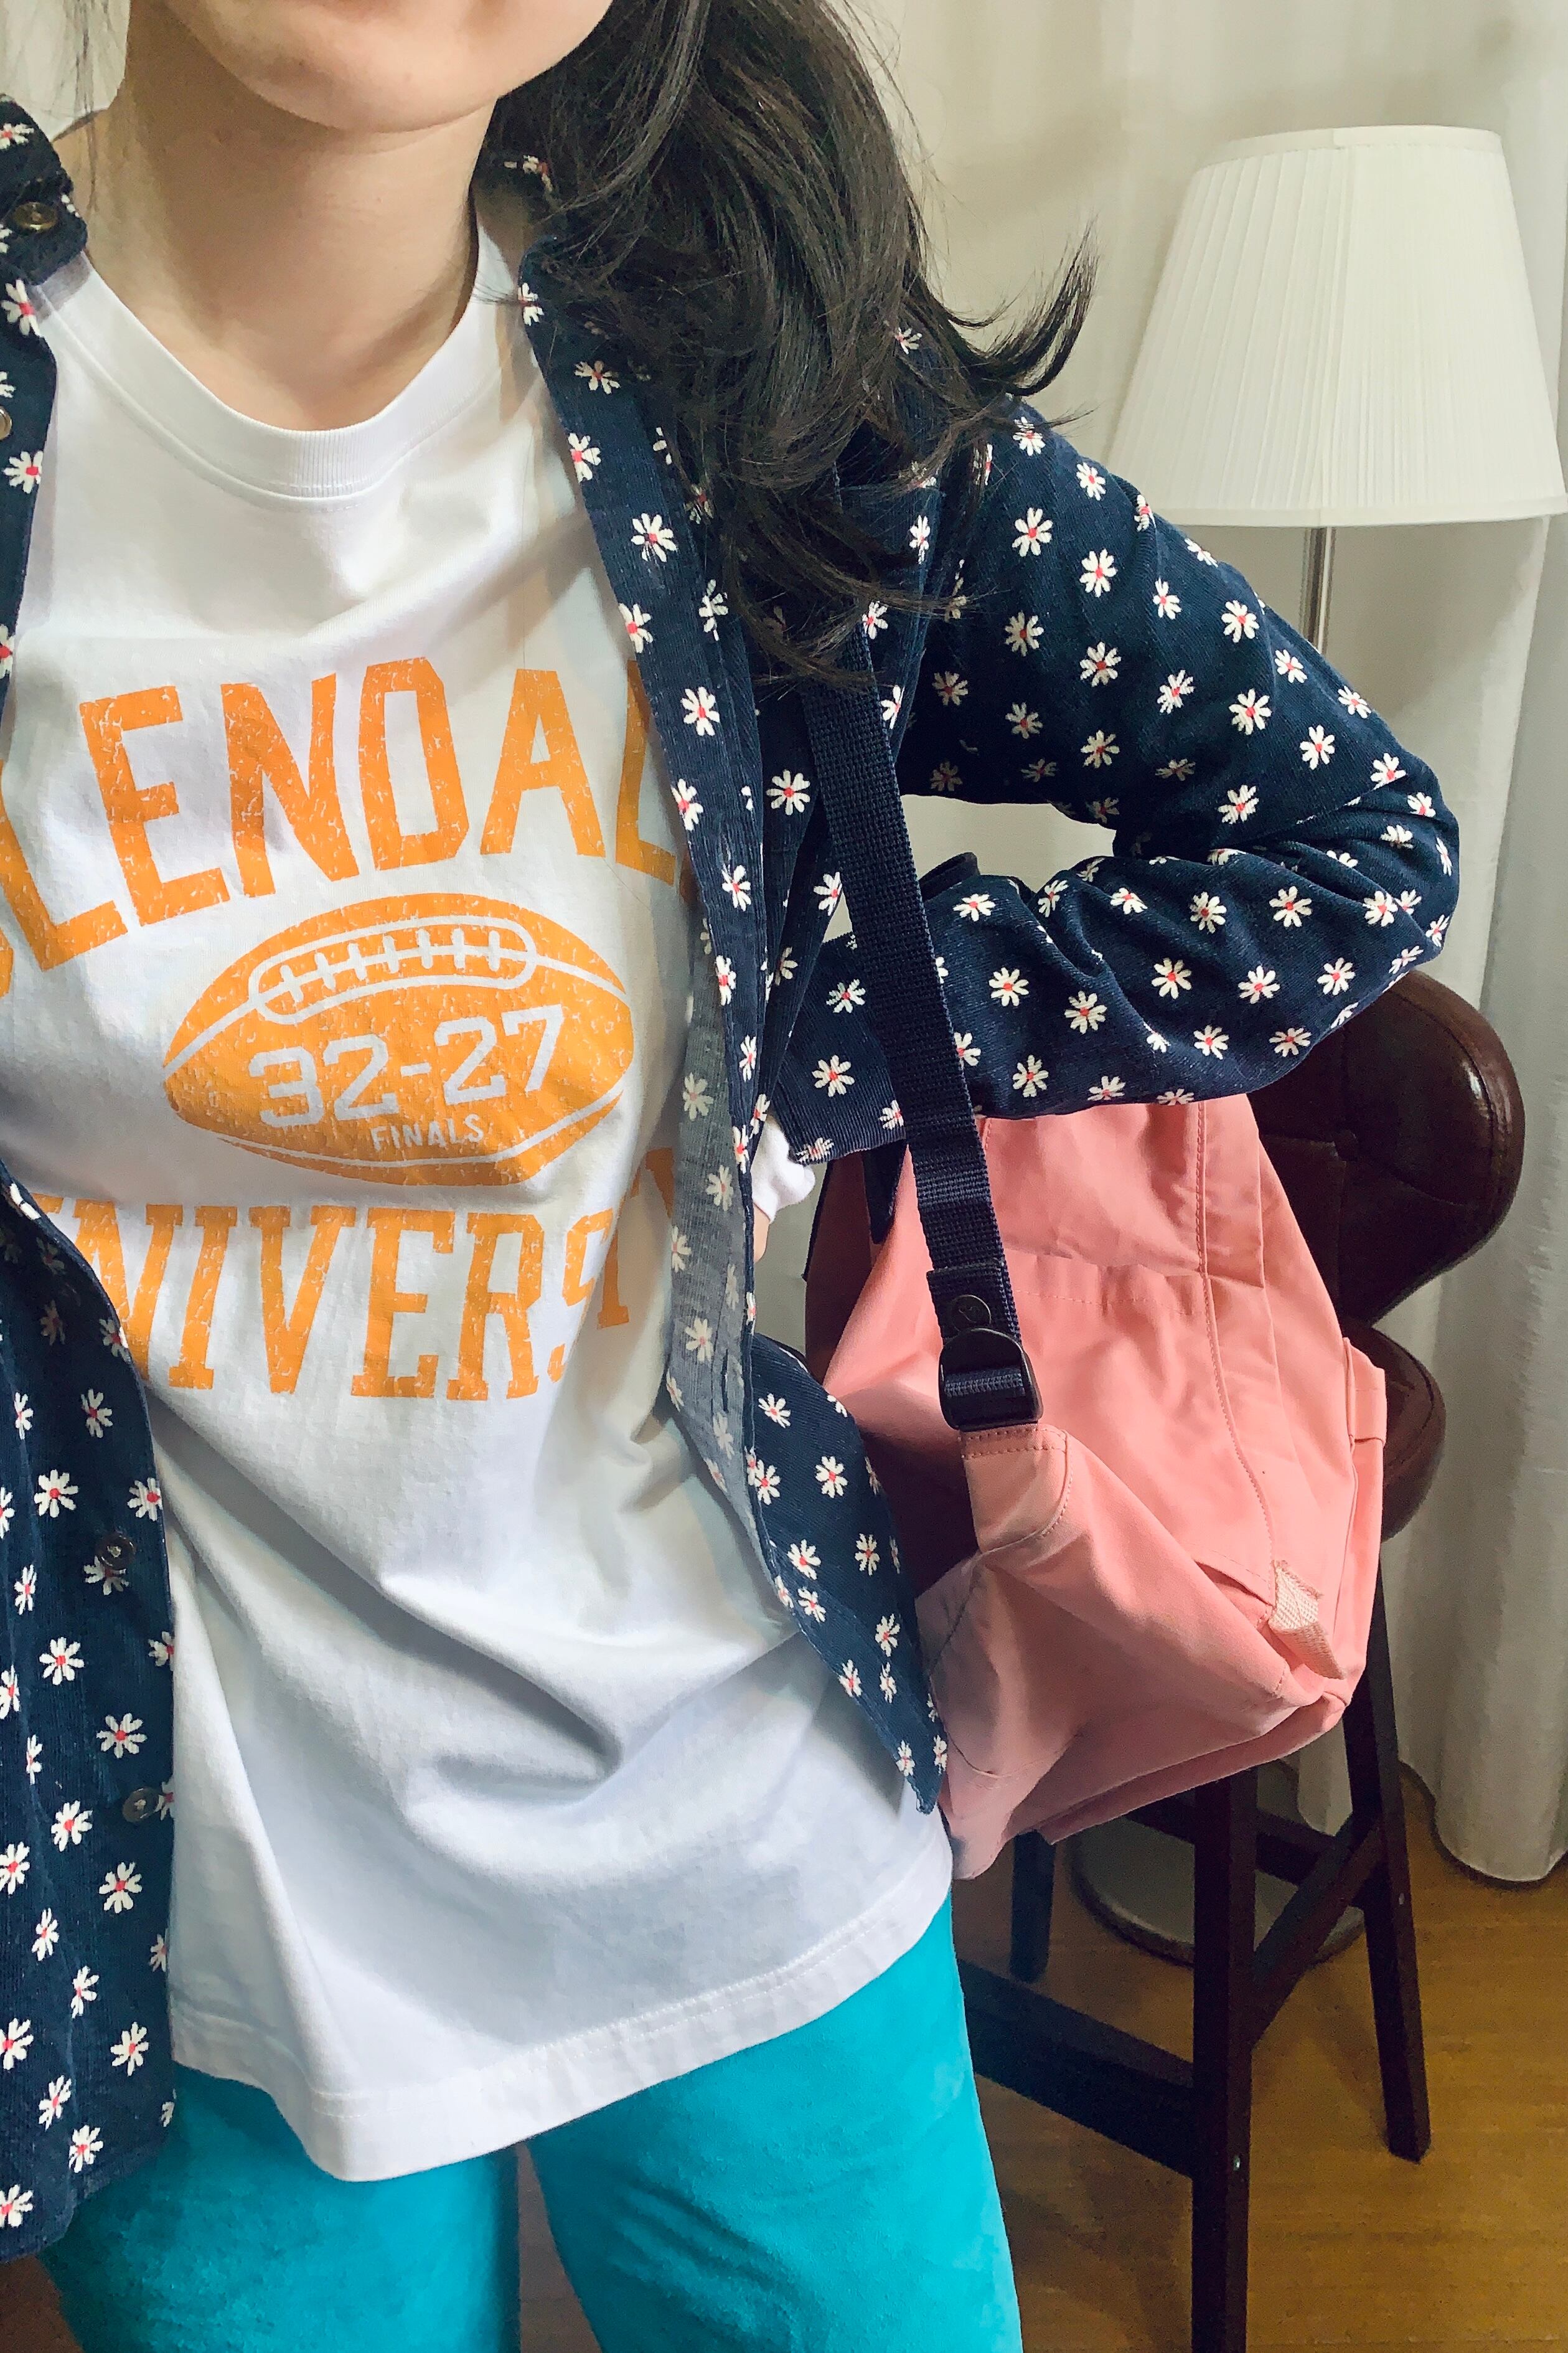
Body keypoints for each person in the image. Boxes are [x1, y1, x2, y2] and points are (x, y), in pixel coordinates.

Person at [0, 4, 1457, 2348]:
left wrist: (834, 1017)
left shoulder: (761, 393)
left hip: (744, 1799)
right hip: (188, 1905)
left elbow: (1344, 834)